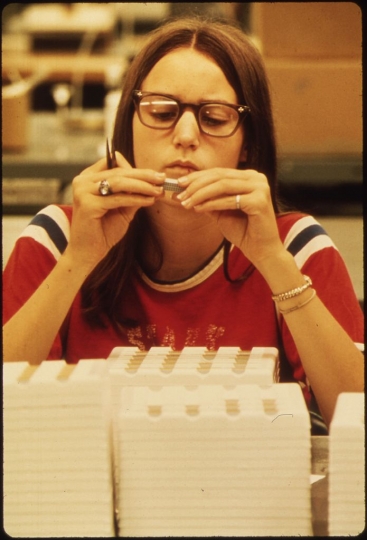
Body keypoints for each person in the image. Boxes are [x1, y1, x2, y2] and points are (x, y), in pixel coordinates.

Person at [3, 17, 363, 428]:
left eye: (214, 117)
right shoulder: (58, 238)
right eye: (162, 111)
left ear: (250, 145)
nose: (186, 135)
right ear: (128, 127)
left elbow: (357, 418)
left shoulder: (296, 247)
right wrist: (79, 259)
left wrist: (272, 261)